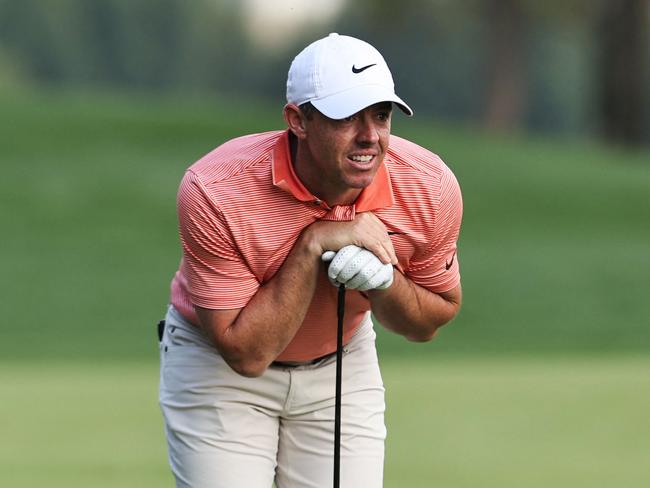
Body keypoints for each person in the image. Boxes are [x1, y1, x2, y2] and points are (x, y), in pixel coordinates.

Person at [159, 33, 463, 488]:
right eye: (347, 117)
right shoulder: (216, 189)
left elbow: (429, 322)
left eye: (381, 116)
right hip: (218, 369)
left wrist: (385, 283)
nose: (370, 137)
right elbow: (246, 354)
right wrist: (313, 243)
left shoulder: (428, 186)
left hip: (342, 361)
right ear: (297, 120)